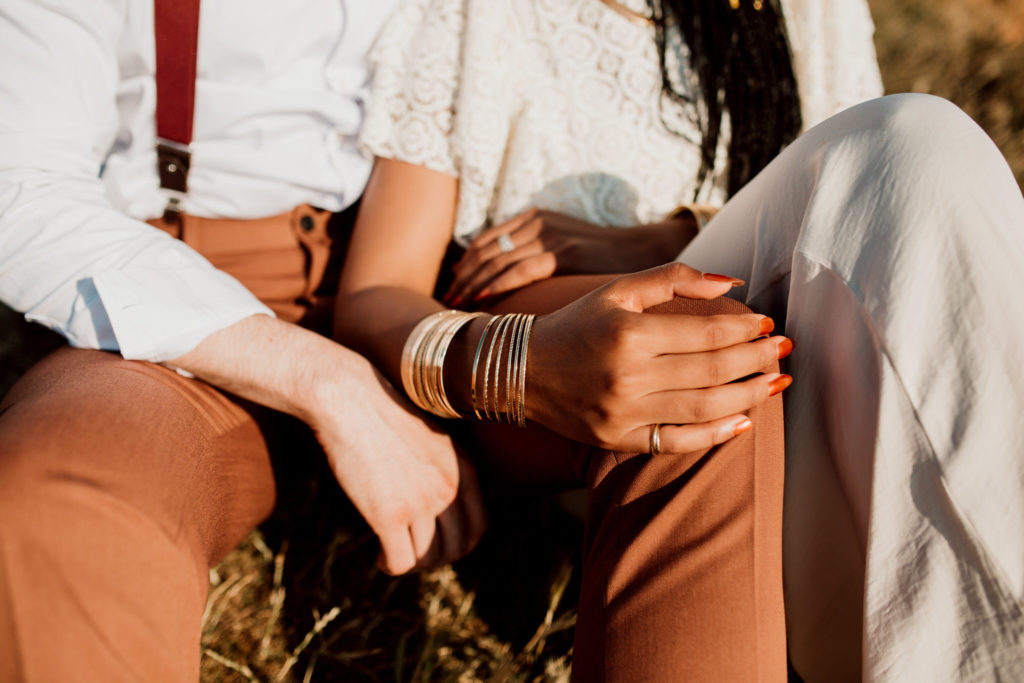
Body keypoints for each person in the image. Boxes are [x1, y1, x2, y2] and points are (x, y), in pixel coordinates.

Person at [0, 0, 789, 681]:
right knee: (61, 491)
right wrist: (328, 382)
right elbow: (21, 191)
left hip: (445, 294)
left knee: (695, 366)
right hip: (191, 301)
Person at [338, 0, 1024, 681]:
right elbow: (377, 291)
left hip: (787, 358)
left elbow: (870, 226)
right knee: (907, 142)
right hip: (549, 375)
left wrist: (673, 235)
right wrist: (516, 359)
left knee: (922, 153)